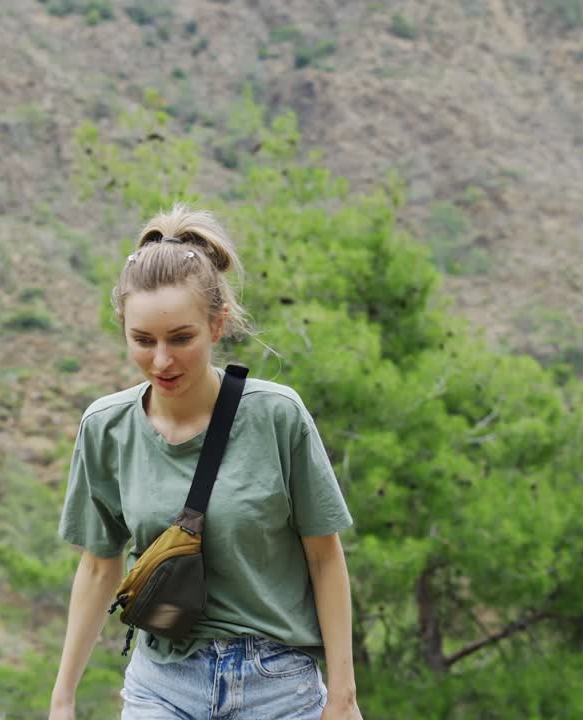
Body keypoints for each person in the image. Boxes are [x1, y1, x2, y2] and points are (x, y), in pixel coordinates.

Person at [48, 205, 363, 720]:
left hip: (277, 685)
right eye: (143, 341)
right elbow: (99, 565)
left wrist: (343, 695)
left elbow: (325, 557)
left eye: (181, 338)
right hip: (163, 683)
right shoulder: (106, 427)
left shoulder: (277, 416)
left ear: (217, 325)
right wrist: (63, 698)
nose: (162, 361)